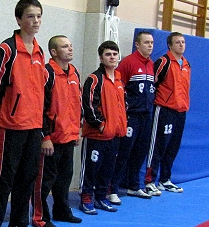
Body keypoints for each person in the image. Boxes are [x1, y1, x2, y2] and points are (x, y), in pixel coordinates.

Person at [0, 0, 46, 227]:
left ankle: (19, 223)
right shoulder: (7, 49)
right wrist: (7, 115)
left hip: (34, 126)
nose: (36, 21)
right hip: (10, 127)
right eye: (30, 16)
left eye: (39, 16)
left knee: (26, 179)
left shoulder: (39, 51)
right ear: (19, 19)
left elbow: (39, 92)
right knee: (2, 180)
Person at [31, 36, 82, 227]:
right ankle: (41, 217)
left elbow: (77, 104)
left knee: (64, 179)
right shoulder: (46, 73)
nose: (70, 49)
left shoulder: (74, 73)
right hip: (51, 139)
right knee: (44, 182)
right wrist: (45, 137)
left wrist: (77, 129)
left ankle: (61, 211)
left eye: (70, 45)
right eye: (64, 47)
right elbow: (39, 107)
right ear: (53, 52)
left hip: (68, 136)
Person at [79, 41, 127, 215]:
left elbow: (123, 105)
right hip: (97, 136)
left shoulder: (120, 79)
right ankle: (86, 198)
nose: (112, 57)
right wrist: (100, 126)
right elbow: (88, 105)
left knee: (108, 168)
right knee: (91, 169)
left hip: (115, 135)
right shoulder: (94, 79)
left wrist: (121, 126)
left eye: (115, 54)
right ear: (101, 57)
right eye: (108, 54)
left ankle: (101, 197)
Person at [108, 31, 155, 204]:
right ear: (137, 44)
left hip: (146, 116)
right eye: (146, 42)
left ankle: (134, 186)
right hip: (131, 116)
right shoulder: (128, 62)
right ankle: (112, 189)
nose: (150, 45)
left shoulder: (151, 64)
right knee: (124, 153)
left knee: (140, 152)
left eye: (151, 43)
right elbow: (119, 87)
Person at [145, 32, 190, 195]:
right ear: (170, 45)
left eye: (183, 42)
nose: (181, 45)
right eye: (177, 42)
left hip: (181, 111)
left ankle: (165, 179)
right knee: (158, 145)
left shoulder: (186, 64)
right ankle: (149, 180)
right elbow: (152, 84)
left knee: (173, 146)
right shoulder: (163, 62)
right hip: (164, 110)